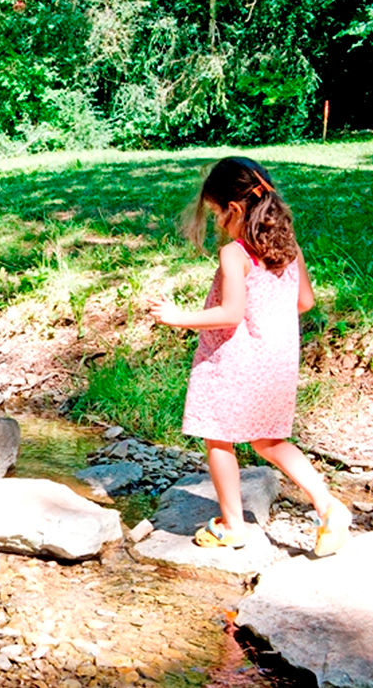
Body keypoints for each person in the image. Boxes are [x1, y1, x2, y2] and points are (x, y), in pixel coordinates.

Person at [148, 156, 351, 556]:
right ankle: (329, 507)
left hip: (234, 360)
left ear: (235, 209)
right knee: (269, 441)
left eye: (215, 214)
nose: (216, 222)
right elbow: (305, 301)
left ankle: (233, 526)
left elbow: (231, 313)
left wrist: (178, 317)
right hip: (275, 360)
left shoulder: (235, 254)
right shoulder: (288, 247)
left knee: (218, 438)